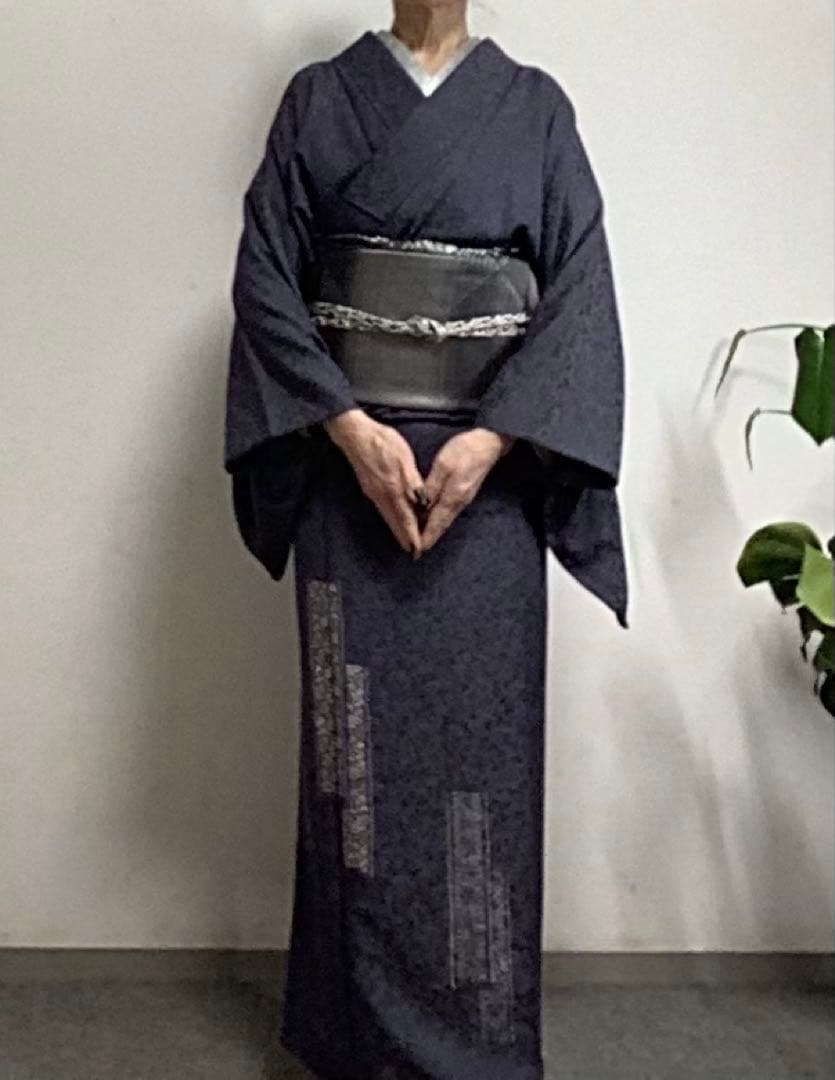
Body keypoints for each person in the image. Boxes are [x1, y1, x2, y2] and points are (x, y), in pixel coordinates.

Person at [223, 3, 628, 1077]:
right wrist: (346, 428)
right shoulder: (319, 100)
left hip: (487, 492)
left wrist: (494, 439)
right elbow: (267, 280)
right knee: (353, 763)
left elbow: (579, 295)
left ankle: (479, 1042)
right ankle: (353, 1036)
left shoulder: (533, 110)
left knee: (480, 762)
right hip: (349, 481)